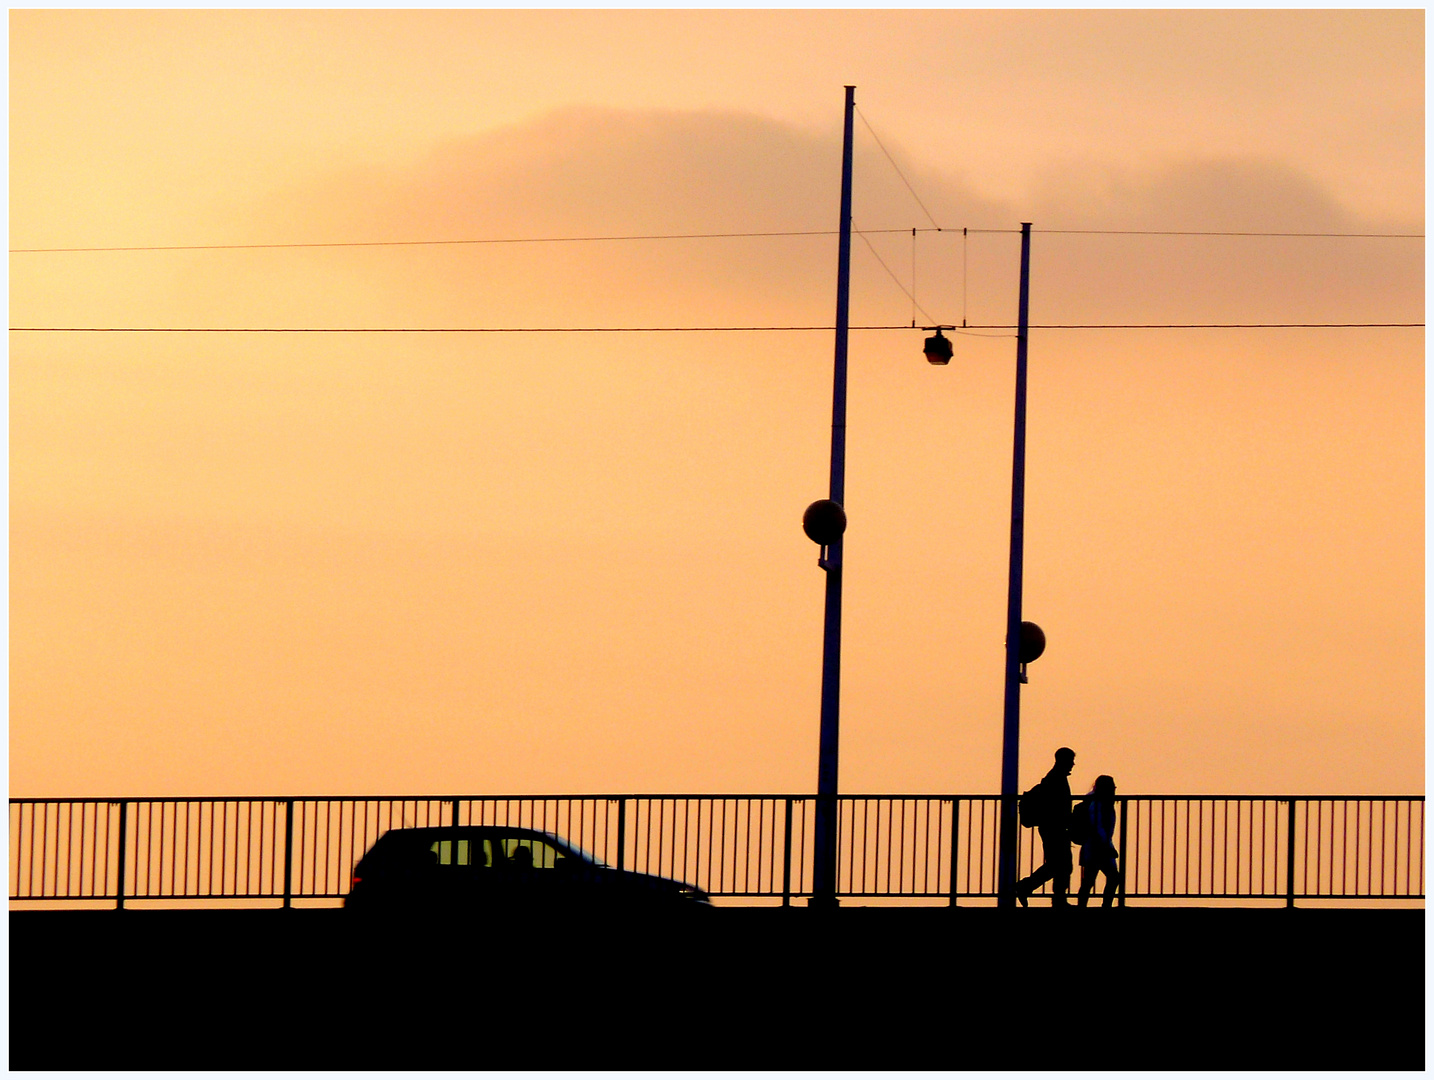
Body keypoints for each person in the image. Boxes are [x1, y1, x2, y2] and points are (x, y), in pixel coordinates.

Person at [1015, 747, 1076, 907]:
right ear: (1063, 760)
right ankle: (1028, 887)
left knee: (1059, 864)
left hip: (1053, 827)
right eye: (1071, 760)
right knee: (1059, 864)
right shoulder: (1055, 778)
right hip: (1054, 828)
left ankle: (1051, 896)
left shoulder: (1055, 777)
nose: (1073, 764)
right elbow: (1056, 806)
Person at [1075, 774, 1121, 907]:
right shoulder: (1097, 803)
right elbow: (1098, 825)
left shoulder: (1094, 801)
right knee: (1112, 877)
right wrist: (1108, 845)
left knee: (1090, 879)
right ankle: (1105, 905)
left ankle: (1083, 906)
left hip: (1094, 845)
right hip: (1097, 846)